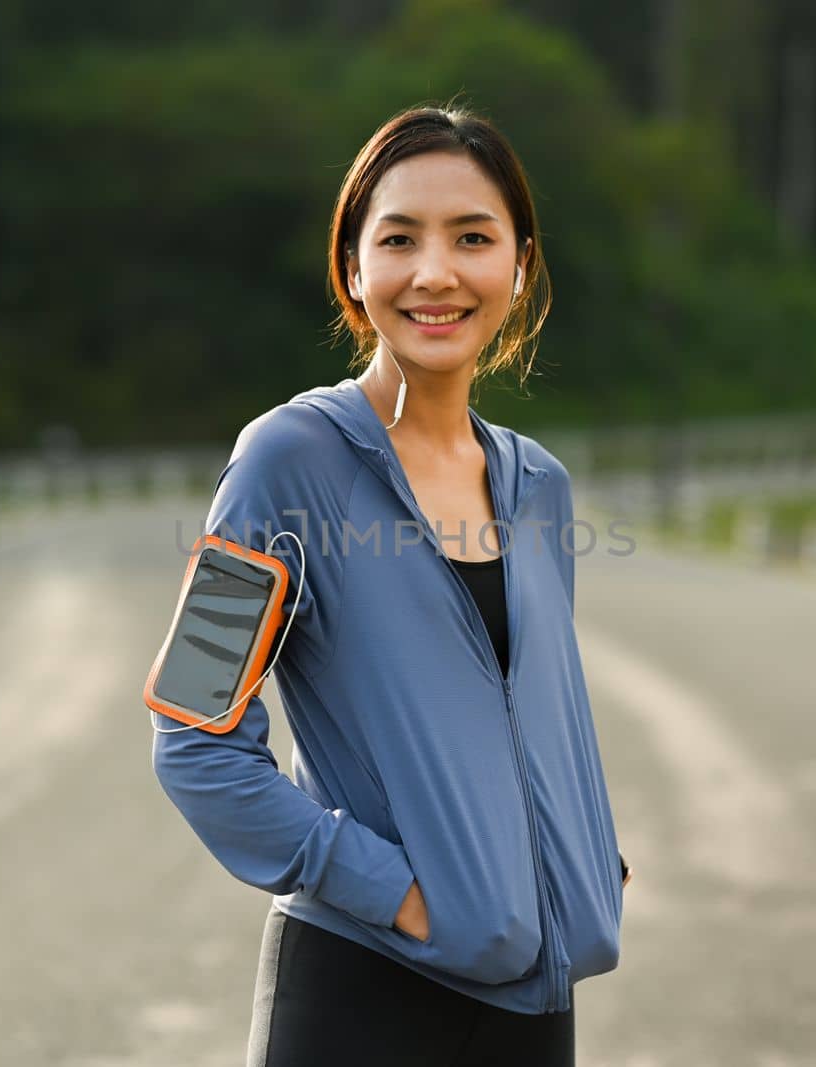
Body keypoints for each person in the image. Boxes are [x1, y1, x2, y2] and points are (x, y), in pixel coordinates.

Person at [150, 101, 630, 1067]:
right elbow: (193, 740)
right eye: (400, 238)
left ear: (520, 266)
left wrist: (580, 866)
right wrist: (396, 892)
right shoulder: (283, 463)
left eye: (473, 237)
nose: (436, 272)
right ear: (353, 270)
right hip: (359, 995)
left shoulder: (540, 488)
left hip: (536, 1011)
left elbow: (528, 722)